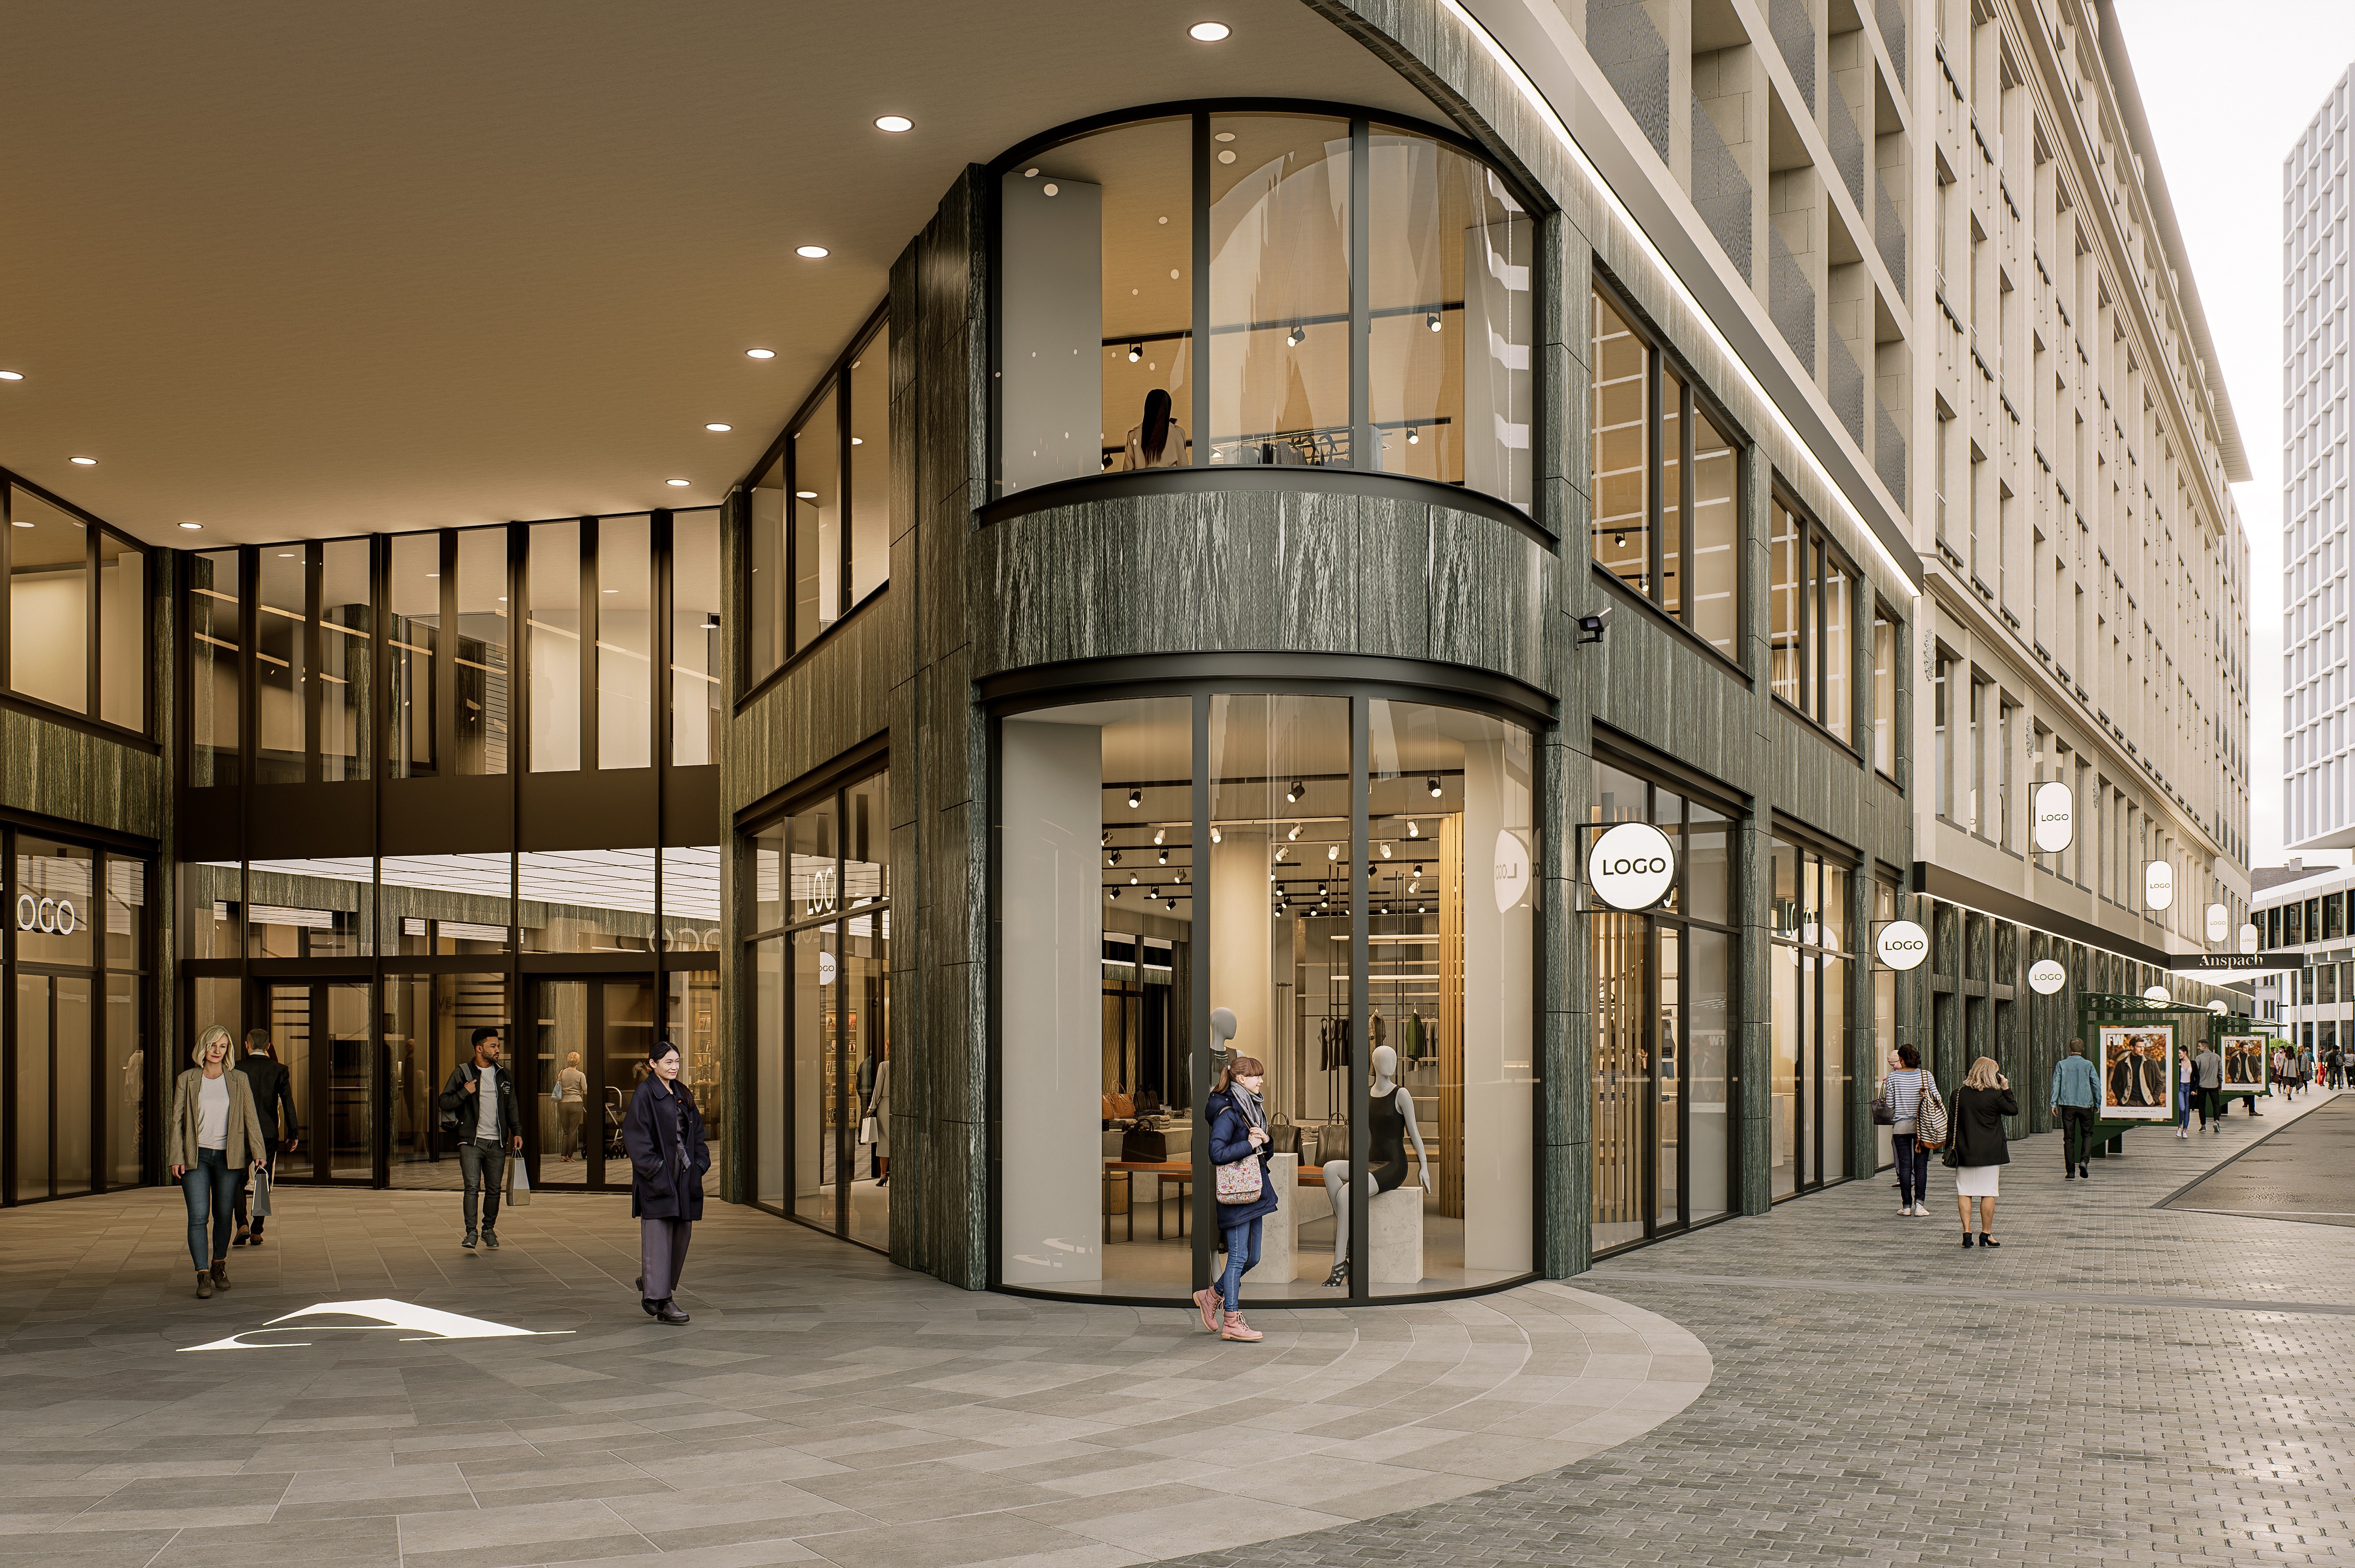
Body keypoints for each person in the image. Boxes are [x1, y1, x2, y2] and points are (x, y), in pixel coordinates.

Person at [168, 1025, 269, 1298]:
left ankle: (219, 1266)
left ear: (229, 1050)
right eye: (213, 1045)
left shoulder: (238, 1080)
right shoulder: (187, 1079)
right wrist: (176, 1156)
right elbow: (177, 1121)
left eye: (222, 1047)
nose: (217, 1051)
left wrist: (259, 1151)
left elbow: (251, 1117)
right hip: (195, 1156)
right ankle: (202, 1274)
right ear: (204, 1046)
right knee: (199, 1217)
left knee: (224, 1215)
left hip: (229, 1156)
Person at [621, 1037, 709, 1324]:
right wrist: (657, 1170)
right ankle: (662, 1298)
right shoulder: (644, 1094)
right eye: (668, 1062)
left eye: (677, 1062)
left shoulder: (683, 1093)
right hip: (658, 1178)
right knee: (659, 1239)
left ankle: (653, 1284)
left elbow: (697, 1134)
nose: (674, 1067)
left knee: (681, 1236)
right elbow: (637, 1139)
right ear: (653, 1064)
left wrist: (699, 1165)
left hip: (685, 1177)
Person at [1195, 1053, 1276, 1343]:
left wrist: (1265, 1141)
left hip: (1254, 1191)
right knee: (1239, 1256)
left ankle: (1212, 1295)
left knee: (1252, 1258)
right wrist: (1248, 1143)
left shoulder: (1249, 1109)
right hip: (1237, 1194)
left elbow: (1261, 1150)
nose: (1261, 1081)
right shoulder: (1228, 1112)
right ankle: (1231, 1320)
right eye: (1257, 1076)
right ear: (1241, 1079)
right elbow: (1216, 1154)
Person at [439, 1026, 523, 1250]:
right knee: (472, 1188)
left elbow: (512, 1105)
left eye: (498, 1045)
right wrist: (465, 1092)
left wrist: (517, 1131)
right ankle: (471, 1233)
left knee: (494, 1189)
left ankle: (488, 1230)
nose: (498, 1050)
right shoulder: (463, 1073)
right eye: (493, 1046)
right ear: (479, 1048)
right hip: (471, 1142)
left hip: (497, 1142)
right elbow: (444, 1102)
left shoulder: (503, 1074)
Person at [231, 1028, 300, 1247]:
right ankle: (257, 1230)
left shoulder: (236, 1068)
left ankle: (241, 1223)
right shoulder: (279, 1069)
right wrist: (293, 1133)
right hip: (268, 1133)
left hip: (242, 1132)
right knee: (263, 1178)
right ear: (268, 1046)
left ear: (246, 1044)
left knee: (238, 1179)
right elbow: (288, 1102)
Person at [1949, 1056, 2016, 1248]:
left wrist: (1949, 1148)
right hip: (1991, 1152)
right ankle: (1986, 1234)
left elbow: (1951, 1125)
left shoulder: (1958, 1094)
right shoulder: (1995, 1096)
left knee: (1965, 1192)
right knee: (1988, 1193)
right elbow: (2013, 1110)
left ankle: (1967, 1233)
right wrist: (2006, 1088)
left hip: (1965, 1150)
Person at [1879, 1045, 1934, 1216]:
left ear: (1901, 1059)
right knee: (1921, 1167)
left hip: (1901, 1127)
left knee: (1905, 1166)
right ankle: (1920, 1206)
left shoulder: (1893, 1077)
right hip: (1922, 1127)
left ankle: (1906, 1206)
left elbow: (1891, 1105)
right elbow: (1935, 1099)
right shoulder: (1926, 1075)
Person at [2049, 1038, 2100, 1179]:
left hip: (2067, 1106)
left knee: (2069, 1139)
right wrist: (2098, 1103)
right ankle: (2084, 1161)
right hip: (2085, 1106)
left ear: (2070, 1049)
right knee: (2088, 1135)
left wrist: (2054, 1104)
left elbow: (2056, 1084)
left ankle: (2070, 1172)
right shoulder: (2088, 1065)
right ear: (2082, 1049)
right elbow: (2096, 1085)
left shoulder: (2061, 1065)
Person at [1122, 387, 1188, 471]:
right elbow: (1184, 467)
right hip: (1170, 482)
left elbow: (1127, 472)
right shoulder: (1177, 433)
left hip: (1143, 483)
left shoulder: (1134, 435)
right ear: (1167, 409)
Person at [555, 1051, 588, 1161]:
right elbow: (585, 1091)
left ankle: (563, 1156)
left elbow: (558, 1086)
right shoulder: (580, 1075)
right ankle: (570, 1156)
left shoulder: (562, 1073)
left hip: (563, 1104)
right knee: (573, 1131)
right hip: (576, 1104)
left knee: (566, 1131)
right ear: (578, 1062)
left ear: (567, 1060)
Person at [2192, 1037, 2225, 1131]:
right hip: (2214, 1085)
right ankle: (2217, 1122)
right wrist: (2220, 1083)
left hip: (2202, 1085)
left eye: (2200, 1046)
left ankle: (2203, 1126)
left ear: (2205, 1047)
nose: (2198, 1048)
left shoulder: (2199, 1058)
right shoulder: (2217, 1057)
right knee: (2216, 1104)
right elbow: (2220, 1072)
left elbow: (2196, 1072)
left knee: (2202, 1105)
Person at [2176, 1043, 2196, 1139]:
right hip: (2181, 1087)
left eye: (2180, 1053)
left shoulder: (2193, 1064)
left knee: (2187, 1109)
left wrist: (2195, 1090)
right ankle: (2179, 1126)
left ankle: (2185, 1130)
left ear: (2185, 1053)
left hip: (2189, 1088)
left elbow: (2197, 1077)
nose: (2179, 1055)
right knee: (2182, 1108)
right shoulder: (2177, 1064)